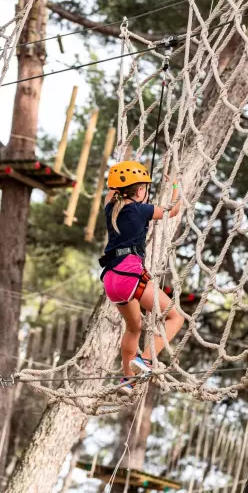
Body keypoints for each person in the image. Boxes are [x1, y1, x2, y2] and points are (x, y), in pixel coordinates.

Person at [99, 160, 184, 394]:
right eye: (145, 188)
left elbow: (112, 193)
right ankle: (144, 360)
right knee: (175, 318)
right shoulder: (140, 209)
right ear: (139, 191)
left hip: (111, 279)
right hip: (129, 275)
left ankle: (128, 381)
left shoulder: (110, 207)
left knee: (134, 328)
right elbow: (173, 210)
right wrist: (175, 185)